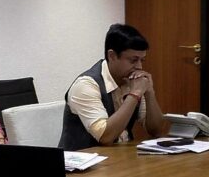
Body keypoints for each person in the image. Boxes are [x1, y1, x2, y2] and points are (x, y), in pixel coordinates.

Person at [59, 23, 168, 151]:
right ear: (112, 56)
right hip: (83, 160)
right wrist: (135, 94)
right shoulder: (86, 85)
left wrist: (149, 92)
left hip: (119, 157)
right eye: (133, 60)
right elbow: (105, 137)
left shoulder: (132, 81)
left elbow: (157, 131)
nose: (139, 67)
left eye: (142, 60)